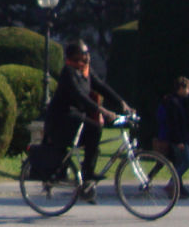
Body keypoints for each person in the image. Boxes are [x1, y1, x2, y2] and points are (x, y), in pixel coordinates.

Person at [42, 41, 129, 203]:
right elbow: (79, 96)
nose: (87, 56)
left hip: (74, 115)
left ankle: (87, 181)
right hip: (62, 117)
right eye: (84, 54)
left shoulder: (85, 72)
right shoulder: (68, 72)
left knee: (95, 135)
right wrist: (103, 111)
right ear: (75, 56)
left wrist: (122, 103)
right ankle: (87, 174)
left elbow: (102, 87)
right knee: (94, 129)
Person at [154, 76, 189, 198]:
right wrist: (179, 141)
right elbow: (174, 124)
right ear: (181, 88)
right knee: (188, 161)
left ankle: (179, 189)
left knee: (179, 163)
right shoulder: (173, 102)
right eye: (188, 89)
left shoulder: (177, 101)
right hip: (177, 140)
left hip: (180, 139)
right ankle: (172, 183)